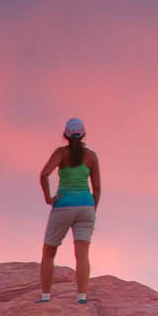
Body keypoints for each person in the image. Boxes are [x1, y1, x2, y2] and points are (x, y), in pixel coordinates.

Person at [38, 117, 100, 303]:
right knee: (82, 253)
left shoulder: (60, 153)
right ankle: (81, 297)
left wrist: (48, 198)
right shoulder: (91, 156)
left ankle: (46, 296)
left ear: (65, 134)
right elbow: (97, 187)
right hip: (86, 206)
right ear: (83, 134)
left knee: (49, 251)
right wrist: (92, 209)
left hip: (64, 205)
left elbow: (44, 174)